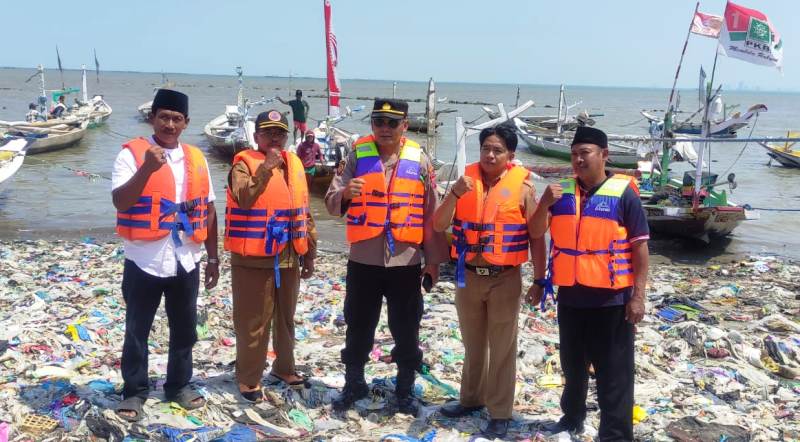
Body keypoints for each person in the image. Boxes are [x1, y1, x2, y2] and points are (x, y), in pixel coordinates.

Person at [324, 98, 448, 416]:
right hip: (364, 259)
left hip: (405, 262)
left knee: (407, 327)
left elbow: (431, 213)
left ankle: (404, 390)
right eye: (379, 121)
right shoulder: (356, 155)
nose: (384, 128)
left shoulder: (419, 160)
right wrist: (345, 194)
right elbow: (331, 199)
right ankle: (354, 384)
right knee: (358, 323)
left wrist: (432, 261)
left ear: (405, 125)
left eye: (392, 123)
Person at [528, 126, 649, 441]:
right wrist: (543, 203)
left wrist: (638, 297)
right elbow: (536, 230)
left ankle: (615, 433)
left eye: (585, 153)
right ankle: (571, 419)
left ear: (604, 155)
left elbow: (640, 247)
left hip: (612, 301)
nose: (578, 160)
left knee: (614, 373)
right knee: (572, 368)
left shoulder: (624, 194)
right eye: (574, 153)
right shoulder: (561, 192)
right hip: (571, 297)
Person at [432, 123, 546, 439]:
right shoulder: (464, 184)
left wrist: (540, 279)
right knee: (472, 343)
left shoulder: (522, 189)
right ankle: (470, 399)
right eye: (486, 148)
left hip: (504, 279)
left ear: (510, 155)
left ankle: (499, 412)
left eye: (498, 150)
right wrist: (454, 193)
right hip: (467, 276)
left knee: (503, 347)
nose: (490, 154)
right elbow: (439, 223)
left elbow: (537, 236)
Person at [111, 89, 219, 422]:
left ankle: (178, 386)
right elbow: (120, 202)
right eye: (163, 117)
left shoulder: (197, 158)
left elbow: (210, 209)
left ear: (186, 123)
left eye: (176, 118)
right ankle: (134, 391)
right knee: (136, 329)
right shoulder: (131, 155)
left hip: (186, 257)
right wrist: (145, 170)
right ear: (152, 118)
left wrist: (213, 257)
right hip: (144, 258)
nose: (169, 124)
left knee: (185, 328)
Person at [224, 110, 317, 402]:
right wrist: (265, 168)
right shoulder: (243, 164)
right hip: (254, 258)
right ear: (256, 137)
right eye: (268, 132)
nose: (274, 137)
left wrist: (310, 254)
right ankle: (249, 378)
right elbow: (244, 197)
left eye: (280, 132)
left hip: (289, 256)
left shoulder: (295, 165)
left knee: (286, 318)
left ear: (288, 136)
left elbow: (305, 212)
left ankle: (284, 367)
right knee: (253, 321)